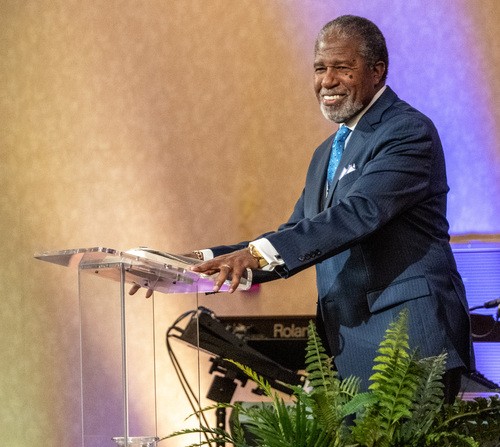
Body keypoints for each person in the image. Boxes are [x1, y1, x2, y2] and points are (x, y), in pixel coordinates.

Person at [144, 15, 474, 401]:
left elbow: (358, 213)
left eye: (342, 68)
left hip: (409, 344)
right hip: (349, 351)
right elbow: (293, 233)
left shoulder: (407, 131)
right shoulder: (325, 153)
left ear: (377, 71)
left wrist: (254, 254)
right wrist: (193, 264)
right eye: (320, 68)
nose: (327, 81)